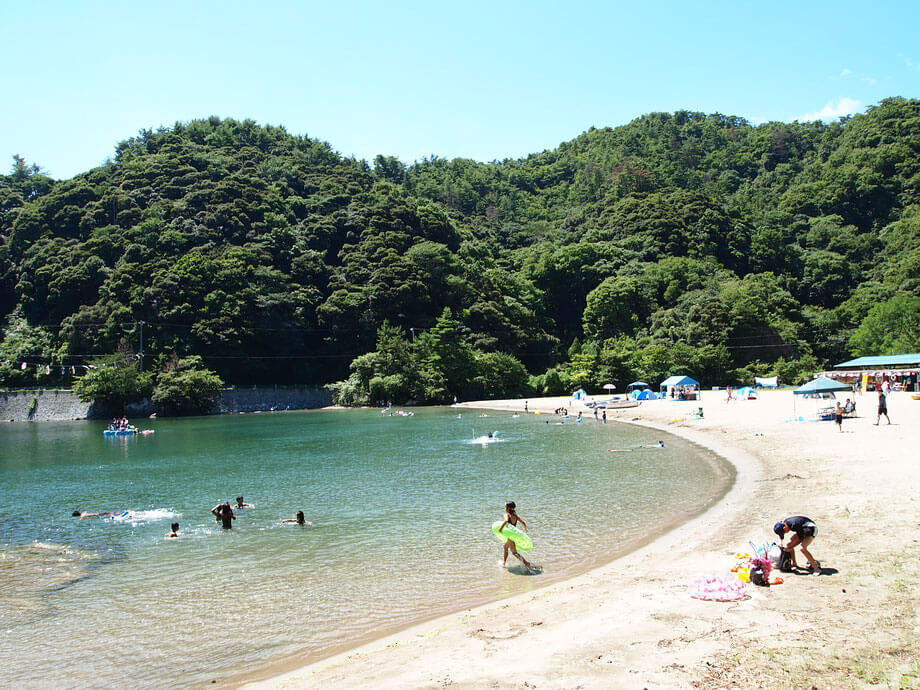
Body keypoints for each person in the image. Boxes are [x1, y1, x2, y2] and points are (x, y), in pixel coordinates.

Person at [498, 501, 532, 570]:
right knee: (505, 547)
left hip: (510, 536)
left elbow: (506, 521)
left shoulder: (506, 515)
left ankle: (526, 563)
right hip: (513, 535)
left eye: (505, 507)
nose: (504, 508)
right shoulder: (515, 516)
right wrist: (525, 529)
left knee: (514, 552)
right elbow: (523, 522)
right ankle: (504, 563)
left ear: (508, 508)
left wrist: (500, 529)